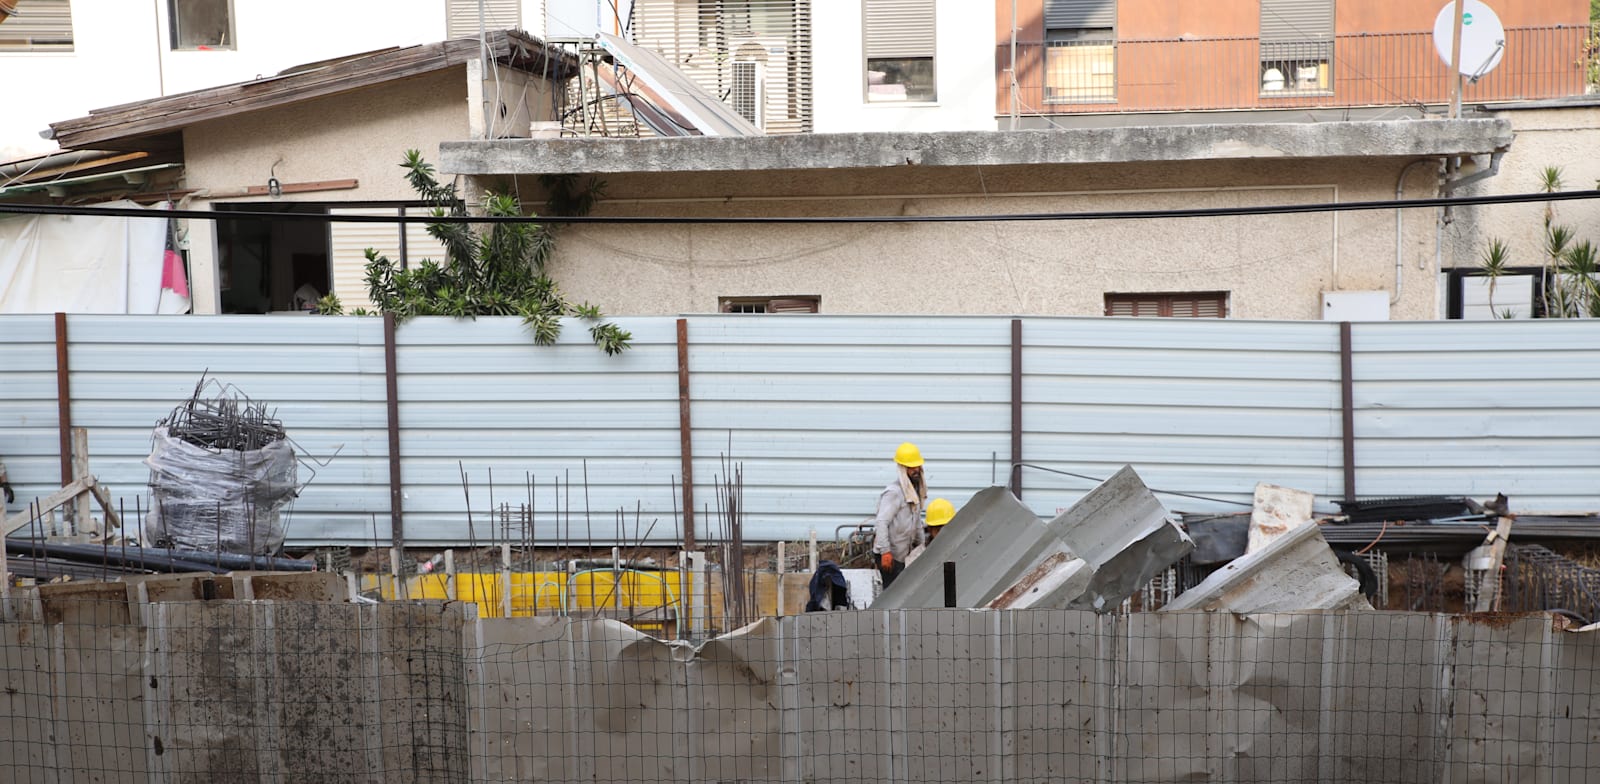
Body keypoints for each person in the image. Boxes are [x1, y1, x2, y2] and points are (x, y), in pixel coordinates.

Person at [871, 442, 927, 588]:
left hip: (903, 555)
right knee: (892, 595)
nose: (916, 470)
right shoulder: (894, 493)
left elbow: (916, 523)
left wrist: (923, 547)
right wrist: (885, 552)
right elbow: (882, 522)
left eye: (917, 466)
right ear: (903, 469)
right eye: (911, 467)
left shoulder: (913, 492)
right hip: (890, 556)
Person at [904, 497, 955, 567]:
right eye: (939, 530)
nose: (944, 534)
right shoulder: (917, 557)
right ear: (930, 529)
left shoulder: (962, 549)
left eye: (947, 528)